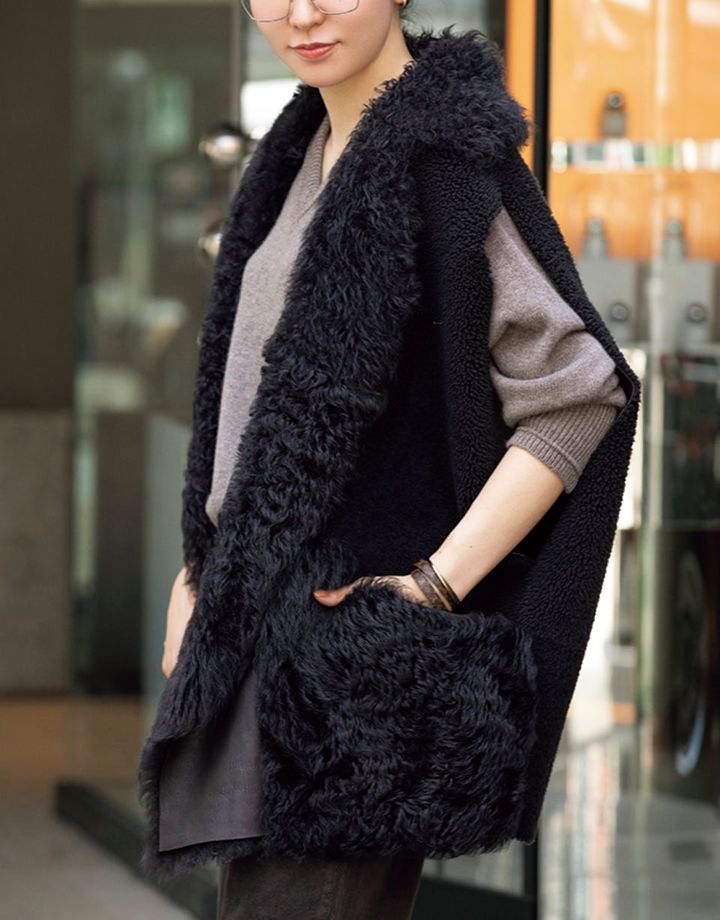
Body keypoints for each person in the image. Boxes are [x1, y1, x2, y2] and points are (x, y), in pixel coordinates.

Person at [137, 3, 641, 918]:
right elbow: (252, 416)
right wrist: (202, 568)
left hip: (352, 680)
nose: (301, 12)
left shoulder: (447, 159)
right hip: (259, 646)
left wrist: (433, 587)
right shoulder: (297, 153)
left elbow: (578, 397)